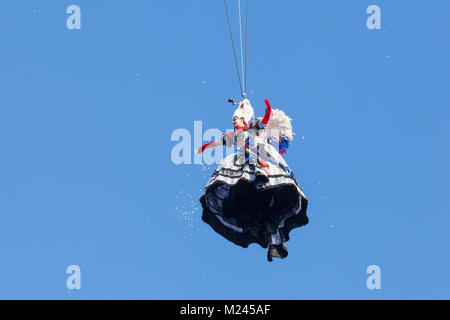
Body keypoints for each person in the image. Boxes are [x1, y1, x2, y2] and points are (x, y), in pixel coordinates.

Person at [196, 98, 308, 262]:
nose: (234, 121)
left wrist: (268, 109)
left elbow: (265, 119)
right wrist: (205, 147)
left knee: (256, 157)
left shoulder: (256, 128)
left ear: (244, 118)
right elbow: (219, 141)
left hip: (259, 159)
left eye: (236, 118)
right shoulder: (235, 135)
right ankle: (273, 240)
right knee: (260, 210)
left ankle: (274, 240)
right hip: (244, 168)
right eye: (233, 119)